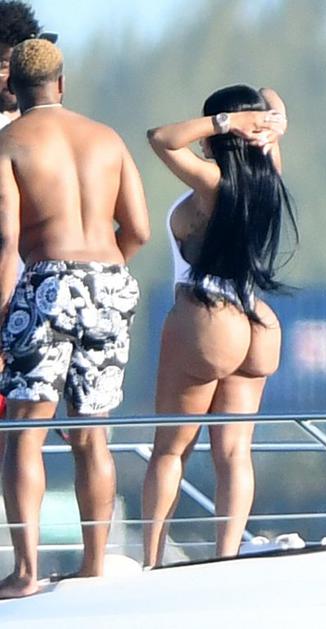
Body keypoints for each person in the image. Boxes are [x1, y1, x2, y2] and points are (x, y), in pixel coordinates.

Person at [0, 38, 150, 599]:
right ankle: (93, 566)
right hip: (111, 280)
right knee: (92, 434)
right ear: (61, 84)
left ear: (12, 87)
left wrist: (5, 312)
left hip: (47, 280)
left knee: (25, 432)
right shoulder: (106, 138)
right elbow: (138, 230)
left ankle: (25, 571)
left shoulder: (9, 142)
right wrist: (100, 277)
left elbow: (6, 242)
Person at [143, 84, 298, 566]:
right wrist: (271, 127)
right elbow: (271, 94)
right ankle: (226, 557)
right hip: (257, 318)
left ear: (216, 138)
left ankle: (153, 560)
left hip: (206, 314)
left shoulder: (213, 182)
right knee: (234, 453)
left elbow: (161, 138)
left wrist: (226, 123)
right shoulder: (268, 172)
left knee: (171, 451)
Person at [0, 0, 42, 463]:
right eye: (3, 67)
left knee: (20, 430)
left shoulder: (41, 128)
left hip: (34, 296)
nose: (11, 79)